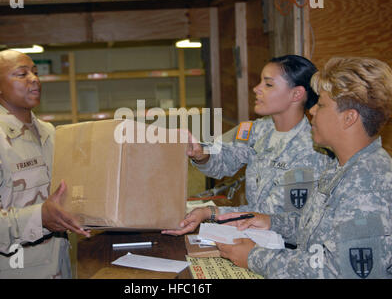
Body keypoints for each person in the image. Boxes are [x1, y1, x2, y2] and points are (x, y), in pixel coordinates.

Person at [217, 57, 392, 279]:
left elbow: (342, 271)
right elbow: (320, 228)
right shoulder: (342, 166)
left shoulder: (369, 184)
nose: (312, 111)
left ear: (348, 118)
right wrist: (273, 222)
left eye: (322, 105)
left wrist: (255, 257)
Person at [0, 49, 90, 279]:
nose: (34, 79)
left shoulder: (48, 132)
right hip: (9, 270)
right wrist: (39, 217)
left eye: (34, 72)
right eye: (21, 74)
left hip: (56, 266)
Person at [163, 55, 328, 236]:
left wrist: (210, 213)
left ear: (296, 94)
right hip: (250, 233)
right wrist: (202, 153)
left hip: (281, 247)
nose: (256, 89)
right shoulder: (258, 129)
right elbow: (226, 160)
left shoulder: (311, 148)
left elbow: (274, 217)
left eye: (268, 84)